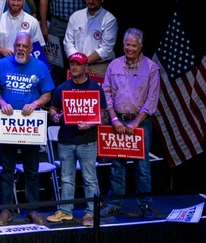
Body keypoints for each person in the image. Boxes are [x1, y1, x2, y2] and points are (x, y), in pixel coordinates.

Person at [0, 32, 54, 226]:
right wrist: (1, 102)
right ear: (14, 46)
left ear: (30, 48)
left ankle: (32, 210)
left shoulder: (40, 66)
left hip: (30, 125)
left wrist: (35, 103)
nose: (21, 49)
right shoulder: (2, 64)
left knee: (32, 170)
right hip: (8, 123)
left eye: (25, 46)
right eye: (18, 45)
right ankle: (6, 210)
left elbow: (47, 93)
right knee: (7, 169)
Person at [101, 28, 160, 218]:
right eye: (127, 44)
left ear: (140, 46)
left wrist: (135, 122)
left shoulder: (151, 68)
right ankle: (114, 204)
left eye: (134, 45)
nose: (130, 48)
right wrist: (114, 119)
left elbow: (152, 99)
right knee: (117, 165)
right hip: (117, 121)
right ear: (123, 44)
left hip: (141, 123)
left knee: (142, 167)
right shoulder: (114, 65)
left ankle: (145, 205)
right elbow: (106, 93)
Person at [46, 51, 106, 227]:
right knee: (66, 178)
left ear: (86, 67)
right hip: (66, 140)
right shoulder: (62, 87)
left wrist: (89, 124)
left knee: (89, 179)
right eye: (72, 63)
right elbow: (53, 109)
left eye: (78, 64)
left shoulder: (95, 89)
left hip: (87, 141)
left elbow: (102, 116)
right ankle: (65, 211)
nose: (74, 67)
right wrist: (55, 116)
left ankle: (91, 213)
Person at [63, 0, 116, 78]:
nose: (91, 1)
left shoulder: (109, 19)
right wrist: (78, 62)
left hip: (99, 67)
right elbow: (68, 44)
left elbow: (106, 49)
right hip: (76, 66)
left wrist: (82, 63)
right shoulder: (75, 16)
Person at [38, 0, 84, 84]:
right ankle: (55, 91)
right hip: (57, 23)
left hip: (80, 23)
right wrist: (43, 24)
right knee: (54, 63)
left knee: (77, 60)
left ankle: (74, 89)